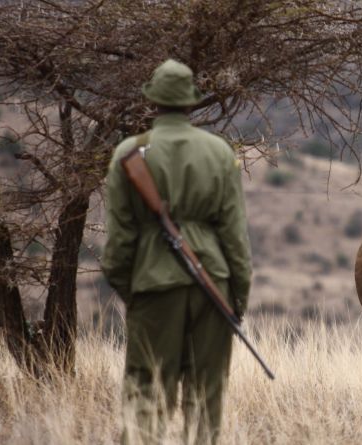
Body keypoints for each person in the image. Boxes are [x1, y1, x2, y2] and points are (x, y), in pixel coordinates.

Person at [102, 59, 252, 444]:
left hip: (152, 285)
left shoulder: (128, 153)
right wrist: (237, 296)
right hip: (213, 285)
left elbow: (118, 243)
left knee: (146, 391)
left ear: (153, 102)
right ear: (190, 104)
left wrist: (130, 289)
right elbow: (235, 238)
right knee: (206, 397)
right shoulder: (219, 152)